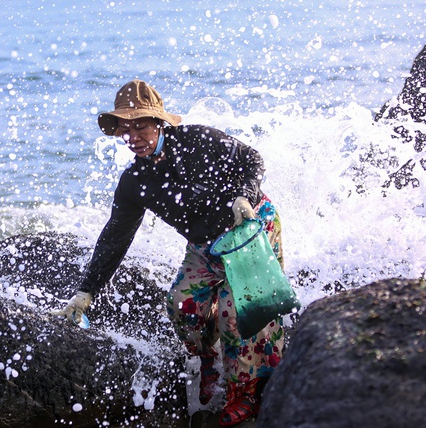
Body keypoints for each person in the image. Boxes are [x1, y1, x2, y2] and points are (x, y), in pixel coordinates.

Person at [52, 79, 284, 427]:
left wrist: (244, 196)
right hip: (205, 246)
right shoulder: (135, 182)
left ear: (159, 122)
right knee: (181, 306)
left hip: (249, 227)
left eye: (140, 126)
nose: (133, 136)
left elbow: (252, 158)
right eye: (124, 129)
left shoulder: (198, 140)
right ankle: (209, 360)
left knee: (237, 314)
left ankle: (248, 392)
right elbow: (115, 236)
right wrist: (86, 291)